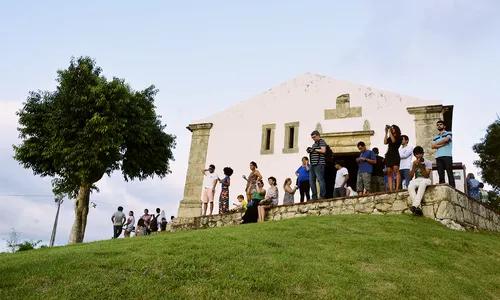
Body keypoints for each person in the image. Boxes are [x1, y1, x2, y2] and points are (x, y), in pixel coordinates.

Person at [408, 146, 433, 216]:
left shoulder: (428, 162)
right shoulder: (412, 163)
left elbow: (426, 175)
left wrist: (421, 166)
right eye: (417, 154)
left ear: (423, 154)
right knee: (410, 186)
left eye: (420, 154)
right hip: (417, 179)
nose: (419, 156)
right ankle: (418, 208)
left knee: (423, 183)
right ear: (414, 155)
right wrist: (414, 167)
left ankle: (414, 205)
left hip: (426, 179)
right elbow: (410, 177)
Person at [432, 120, 455, 188]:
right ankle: (442, 187)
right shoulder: (435, 137)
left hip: (447, 155)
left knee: (449, 173)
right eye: (438, 125)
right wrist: (442, 145)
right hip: (439, 156)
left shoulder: (449, 133)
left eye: (440, 124)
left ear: (444, 126)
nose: (439, 126)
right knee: (440, 174)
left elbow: (446, 140)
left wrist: (437, 144)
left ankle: (452, 187)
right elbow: (432, 146)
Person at [308, 130, 327, 200]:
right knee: (311, 181)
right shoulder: (314, 144)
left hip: (319, 163)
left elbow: (323, 150)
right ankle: (314, 196)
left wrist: (314, 150)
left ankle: (322, 195)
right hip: (313, 164)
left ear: (318, 135)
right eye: (312, 137)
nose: (313, 139)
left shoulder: (321, 141)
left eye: (314, 137)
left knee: (320, 180)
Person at [384, 124, 403, 192]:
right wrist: (386, 133)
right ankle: (391, 189)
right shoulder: (390, 136)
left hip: (395, 155)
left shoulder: (400, 137)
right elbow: (385, 142)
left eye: (393, 128)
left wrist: (390, 132)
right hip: (389, 155)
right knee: (389, 172)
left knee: (396, 171)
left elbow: (393, 141)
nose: (392, 129)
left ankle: (397, 187)